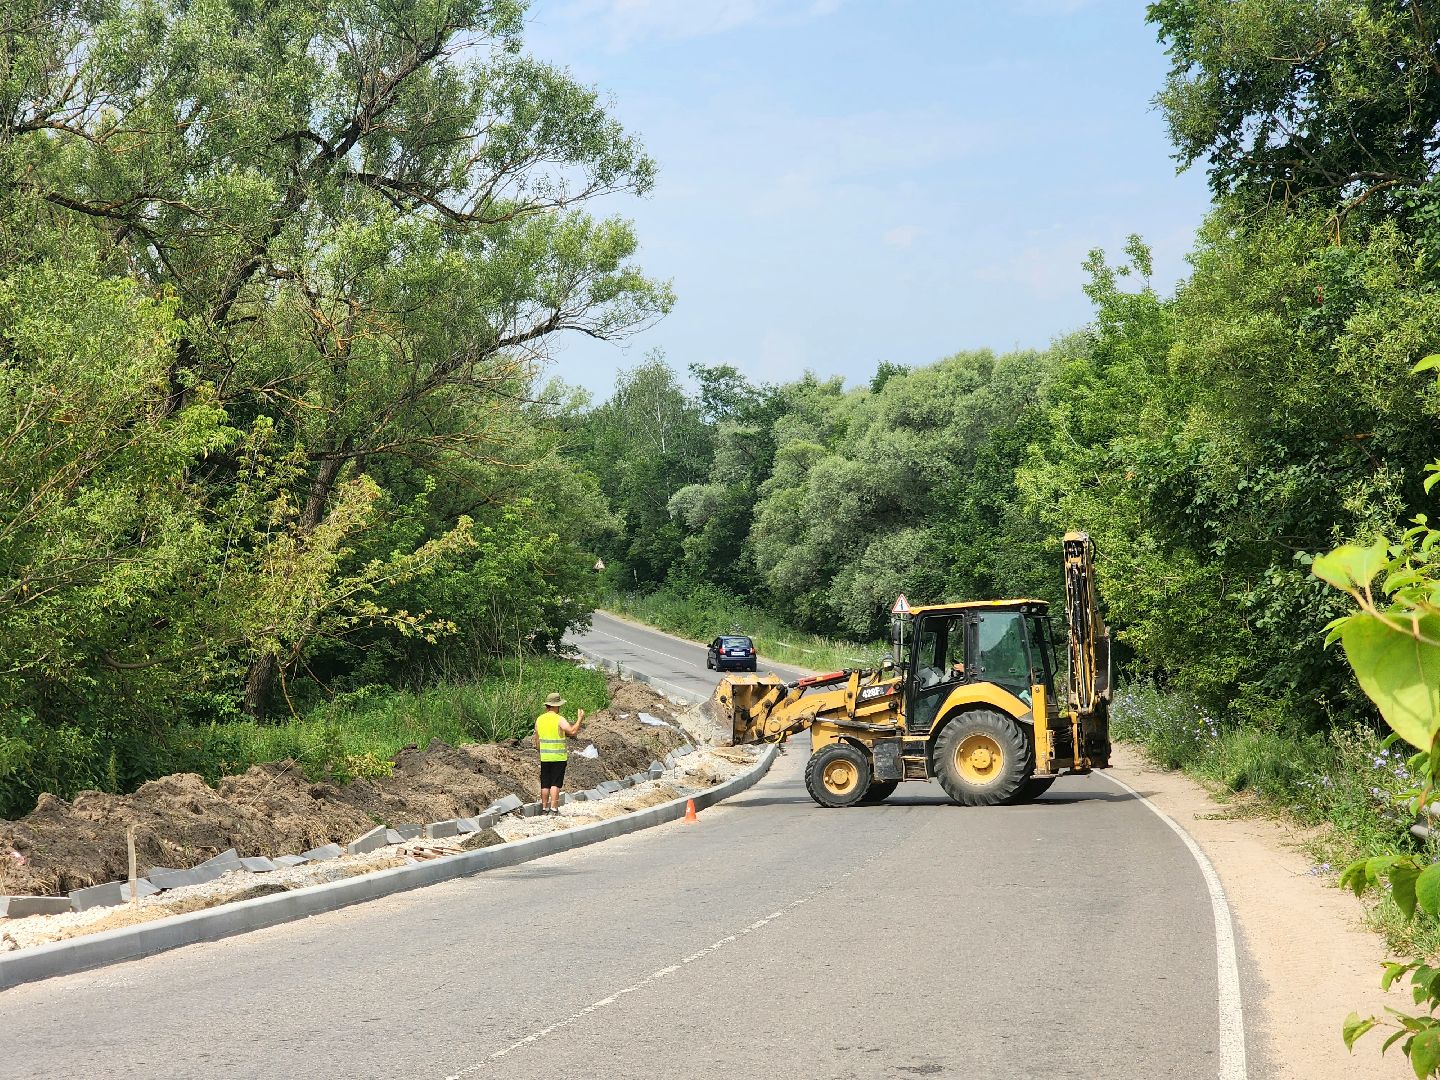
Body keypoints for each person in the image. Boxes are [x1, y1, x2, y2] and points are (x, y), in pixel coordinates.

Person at [536, 692, 584, 813]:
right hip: (558, 757)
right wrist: (580, 719)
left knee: (545, 783)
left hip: (545, 757)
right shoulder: (559, 719)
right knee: (555, 783)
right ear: (556, 706)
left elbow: (537, 739)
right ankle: (554, 807)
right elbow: (572, 731)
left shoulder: (539, 719)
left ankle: (544, 808)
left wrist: (541, 751)